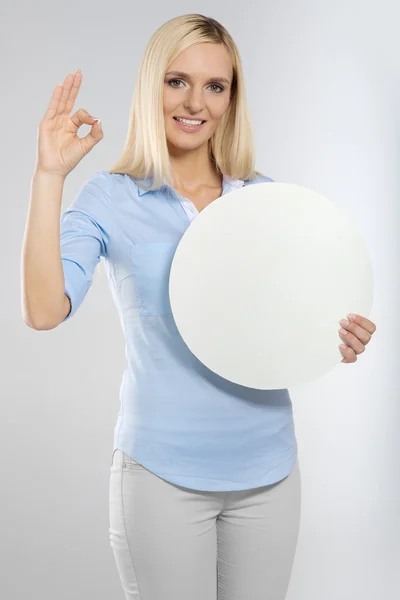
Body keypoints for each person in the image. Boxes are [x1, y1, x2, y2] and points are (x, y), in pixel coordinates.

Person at [22, 13, 301, 600]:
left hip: (269, 472)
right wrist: (50, 175)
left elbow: (288, 319)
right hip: (161, 477)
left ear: (232, 97)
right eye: (177, 81)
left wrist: (338, 336)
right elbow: (45, 310)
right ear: (153, 87)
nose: (194, 102)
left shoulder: (264, 199)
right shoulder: (110, 196)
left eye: (215, 86)